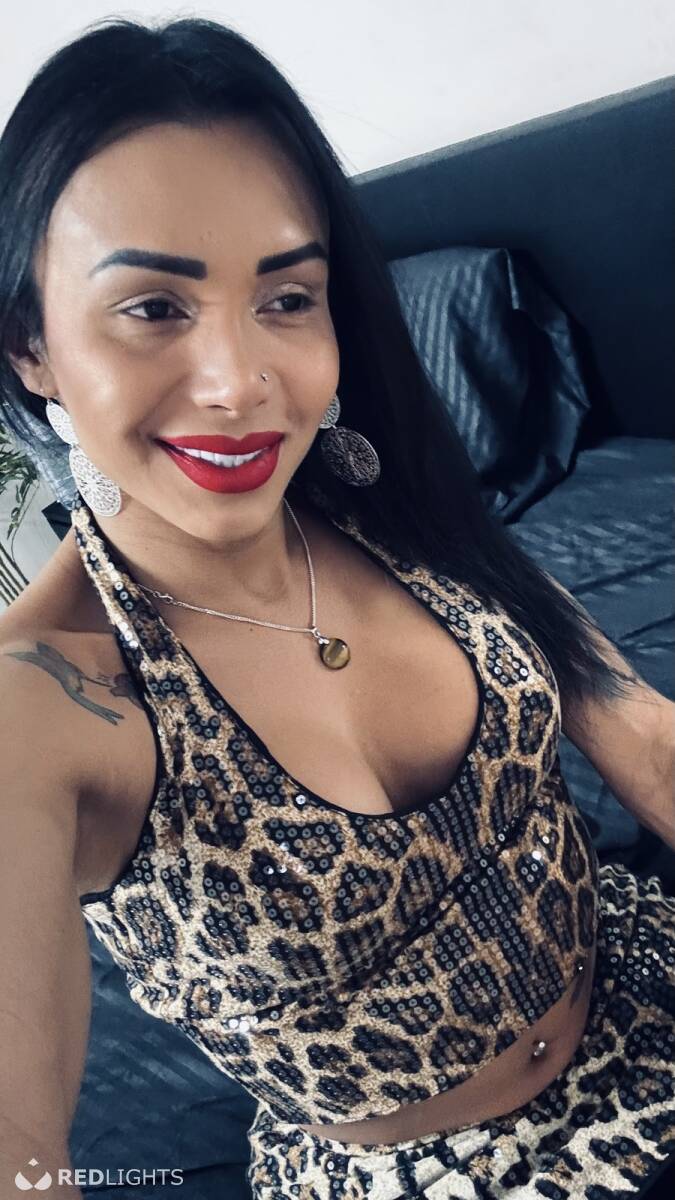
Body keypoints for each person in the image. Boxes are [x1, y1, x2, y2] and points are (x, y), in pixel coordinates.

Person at [0, 16, 673, 1200]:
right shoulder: (46, 699)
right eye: (153, 307)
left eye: (287, 297)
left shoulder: (391, 499)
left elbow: (640, 733)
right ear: (33, 350)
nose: (240, 384)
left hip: (644, 1001)